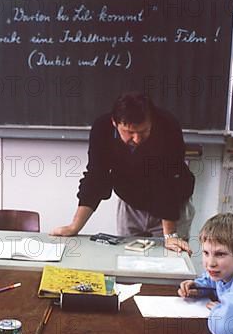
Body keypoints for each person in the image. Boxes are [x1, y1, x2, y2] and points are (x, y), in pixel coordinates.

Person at [51, 92, 195, 254]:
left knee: (171, 259)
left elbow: (168, 180)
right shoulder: (102, 128)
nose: (137, 139)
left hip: (171, 207)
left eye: (143, 131)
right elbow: (96, 176)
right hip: (131, 204)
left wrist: (170, 235)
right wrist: (74, 227)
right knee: (129, 257)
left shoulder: (167, 125)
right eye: (129, 132)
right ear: (115, 123)